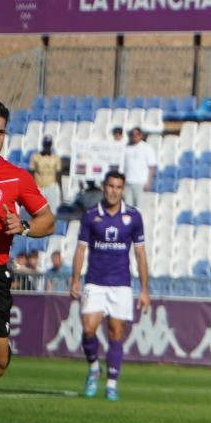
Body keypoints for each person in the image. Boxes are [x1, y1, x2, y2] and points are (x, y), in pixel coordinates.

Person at [67, 170, 150, 400]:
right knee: (88, 328)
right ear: (103, 187)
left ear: (123, 190)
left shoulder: (133, 216)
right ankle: (94, 367)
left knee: (116, 331)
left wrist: (145, 290)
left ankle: (111, 384)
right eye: (110, 186)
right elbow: (81, 249)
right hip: (95, 281)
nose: (114, 191)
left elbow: (141, 254)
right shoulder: (91, 215)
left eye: (118, 187)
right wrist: (75, 278)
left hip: (121, 283)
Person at [122, 126, 157, 209]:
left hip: (141, 182)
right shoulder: (126, 148)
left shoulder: (147, 148)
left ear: (141, 135)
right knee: (128, 208)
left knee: (140, 208)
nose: (135, 136)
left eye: (137, 134)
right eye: (133, 134)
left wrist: (149, 181)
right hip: (128, 182)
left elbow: (152, 166)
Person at [29, 136, 62, 209]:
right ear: (43, 145)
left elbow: (58, 174)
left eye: (48, 145)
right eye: (46, 145)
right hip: (39, 187)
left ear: (51, 145)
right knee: (38, 209)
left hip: (51, 186)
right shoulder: (35, 156)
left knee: (52, 210)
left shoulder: (55, 157)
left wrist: (61, 192)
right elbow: (31, 173)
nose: (47, 147)